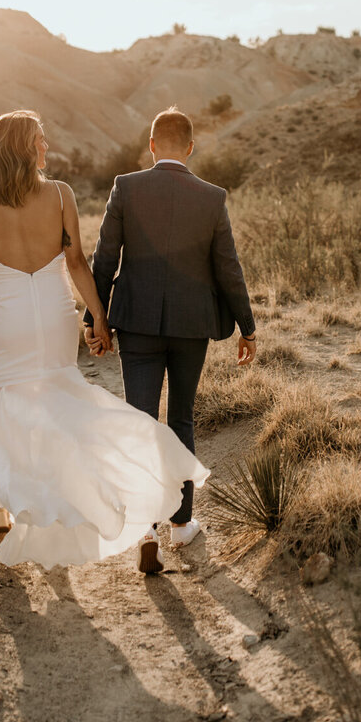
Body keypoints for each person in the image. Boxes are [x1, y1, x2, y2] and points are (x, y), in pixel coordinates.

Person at [0, 109, 207, 575]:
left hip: (11, 316)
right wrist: (98, 314)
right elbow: (77, 261)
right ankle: (120, 508)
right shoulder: (60, 195)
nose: (46, 147)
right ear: (22, 146)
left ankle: (4, 510)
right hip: (56, 311)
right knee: (59, 400)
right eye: (39, 139)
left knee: (10, 403)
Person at [84, 106, 257, 573]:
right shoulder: (212, 197)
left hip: (136, 323)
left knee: (140, 422)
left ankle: (144, 530)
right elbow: (228, 268)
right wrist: (248, 326)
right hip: (190, 326)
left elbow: (104, 257)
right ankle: (181, 525)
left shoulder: (127, 186)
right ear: (192, 147)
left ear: (153, 144)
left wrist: (93, 318)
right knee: (180, 418)